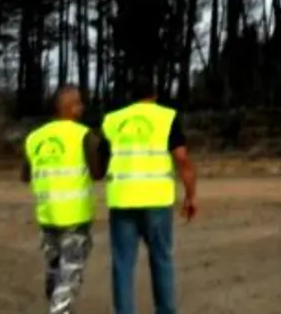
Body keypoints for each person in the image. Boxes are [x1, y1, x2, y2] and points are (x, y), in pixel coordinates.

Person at [101, 76, 198, 314]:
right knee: (161, 259)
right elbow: (182, 159)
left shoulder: (112, 120)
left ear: (131, 97)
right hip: (156, 201)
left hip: (122, 200)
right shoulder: (166, 117)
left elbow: (101, 162)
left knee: (123, 264)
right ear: (154, 95)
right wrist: (190, 195)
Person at [22, 84, 105, 314]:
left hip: (47, 214)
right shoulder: (83, 135)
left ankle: (54, 293)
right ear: (68, 108)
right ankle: (59, 309)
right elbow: (98, 173)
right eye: (78, 102)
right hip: (75, 215)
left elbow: (26, 175)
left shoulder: (34, 138)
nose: (82, 107)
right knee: (71, 271)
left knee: (55, 265)